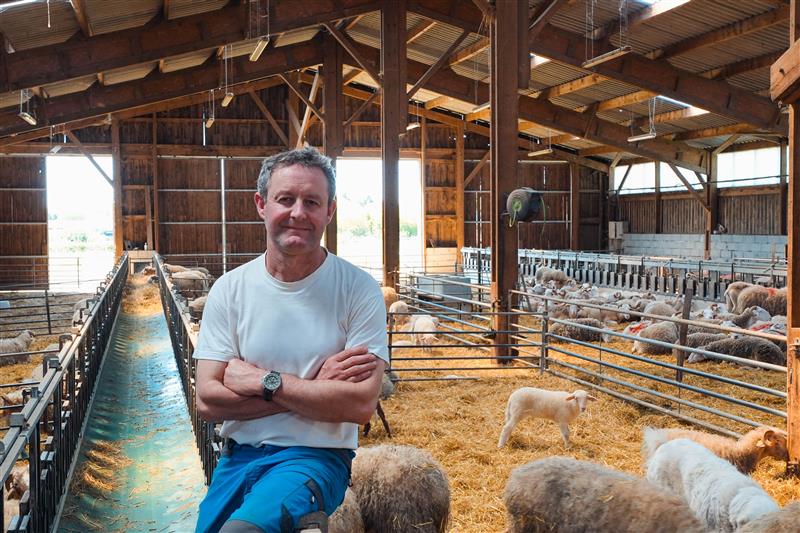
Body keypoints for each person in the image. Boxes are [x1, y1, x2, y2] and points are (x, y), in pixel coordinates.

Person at [193, 147, 388, 533]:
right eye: (286, 199)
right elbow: (208, 400)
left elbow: (361, 404)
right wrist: (315, 388)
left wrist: (264, 382)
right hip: (237, 458)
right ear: (261, 204)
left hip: (316, 456)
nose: (298, 212)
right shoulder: (230, 290)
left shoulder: (358, 290)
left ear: (329, 212)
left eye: (312, 202)